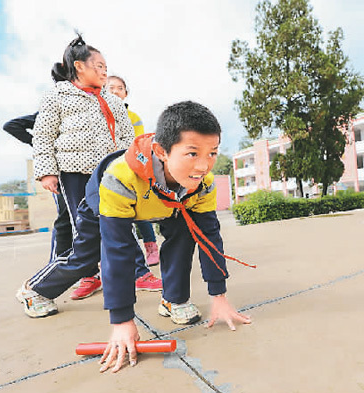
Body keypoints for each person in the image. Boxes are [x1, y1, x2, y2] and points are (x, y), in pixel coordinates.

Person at [17, 101, 253, 373]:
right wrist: (122, 321)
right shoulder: (120, 177)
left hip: (165, 203)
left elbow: (210, 237)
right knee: (87, 257)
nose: (204, 165)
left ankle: (174, 299)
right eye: (192, 154)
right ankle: (35, 291)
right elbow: (117, 250)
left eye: (212, 152)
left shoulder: (203, 183)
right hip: (104, 203)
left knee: (186, 234)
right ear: (161, 152)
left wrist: (218, 295)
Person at [16, 33, 161, 309]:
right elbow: (43, 135)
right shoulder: (57, 95)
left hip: (110, 175)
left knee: (121, 223)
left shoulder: (114, 101)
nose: (105, 71)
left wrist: (134, 169)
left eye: (107, 66)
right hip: (74, 175)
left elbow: (127, 139)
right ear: (79, 66)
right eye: (99, 65)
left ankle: (139, 272)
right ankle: (39, 288)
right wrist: (47, 172)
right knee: (86, 237)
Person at [3, 113, 73, 260]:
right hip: (61, 172)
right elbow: (11, 125)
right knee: (65, 217)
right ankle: (58, 261)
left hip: (86, 170)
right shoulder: (51, 112)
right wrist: (35, 142)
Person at [106, 75, 160, 266]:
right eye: (110, 88)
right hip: (107, 171)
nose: (115, 91)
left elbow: (138, 143)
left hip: (129, 166)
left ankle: (152, 247)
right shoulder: (97, 116)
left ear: (126, 94)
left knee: (140, 211)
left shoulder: (133, 118)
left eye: (120, 88)